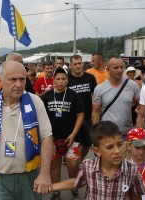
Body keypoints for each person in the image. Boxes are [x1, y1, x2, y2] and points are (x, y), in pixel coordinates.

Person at [0, 60, 53, 200]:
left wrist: (45, 173)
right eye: (13, 79)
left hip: (29, 176)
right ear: (1, 80)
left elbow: (47, 137)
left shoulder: (35, 102)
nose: (19, 84)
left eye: (22, 79)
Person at [51, 121, 145, 200]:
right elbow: (76, 182)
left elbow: (137, 194)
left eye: (120, 144)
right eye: (110, 147)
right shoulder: (88, 166)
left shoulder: (132, 170)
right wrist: (51, 187)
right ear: (97, 151)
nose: (117, 151)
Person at [43, 67, 84, 200]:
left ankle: (73, 185)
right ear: (53, 80)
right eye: (58, 79)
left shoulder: (73, 95)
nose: (61, 82)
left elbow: (80, 115)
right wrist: (47, 137)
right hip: (52, 138)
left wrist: (73, 134)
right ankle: (56, 191)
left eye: (63, 79)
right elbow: (43, 117)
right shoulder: (48, 96)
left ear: (67, 80)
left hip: (71, 138)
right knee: (54, 164)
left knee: (73, 165)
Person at [92, 56, 140, 139]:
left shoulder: (132, 85)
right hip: (107, 134)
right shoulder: (100, 88)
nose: (119, 70)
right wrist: (96, 133)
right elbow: (95, 112)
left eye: (121, 67)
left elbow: (140, 107)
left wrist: (138, 129)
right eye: (116, 68)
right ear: (108, 69)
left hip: (127, 133)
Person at [67, 55, 97, 162]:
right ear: (71, 65)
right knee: (73, 142)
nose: (78, 66)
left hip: (87, 116)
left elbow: (95, 96)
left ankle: (80, 161)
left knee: (87, 143)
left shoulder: (90, 78)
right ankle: (72, 161)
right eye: (75, 64)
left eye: (79, 63)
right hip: (72, 117)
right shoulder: (67, 79)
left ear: (82, 64)